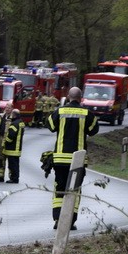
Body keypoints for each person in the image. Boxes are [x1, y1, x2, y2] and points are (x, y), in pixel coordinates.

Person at [46, 86, 99, 230]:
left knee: (59, 188)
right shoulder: (87, 114)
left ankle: (57, 219)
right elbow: (94, 130)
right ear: (81, 98)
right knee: (74, 190)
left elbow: (49, 125)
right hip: (78, 160)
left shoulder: (60, 111)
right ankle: (69, 221)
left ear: (68, 97)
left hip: (60, 159)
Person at [0, 108, 25, 184]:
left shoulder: (14, 124)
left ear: (14, 115)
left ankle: (14, 179)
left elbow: (10, 136)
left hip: (12, 148)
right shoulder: (21, 123)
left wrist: (5, 143)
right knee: (16, 164)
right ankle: (15, 178)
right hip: (17, 148)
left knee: (12, 165)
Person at [0, 104, 13, 182]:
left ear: (12, 109)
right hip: (1, 138)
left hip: (9, 140)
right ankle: (0, 176)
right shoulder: (1, 116)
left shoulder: (13, 118)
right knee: (0, 157)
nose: (7, 109)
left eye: (9, 108)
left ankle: (11, 177)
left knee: (10, 158)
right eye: (6, 107)